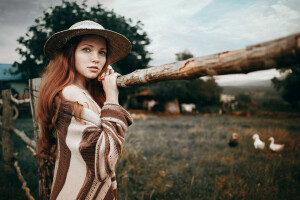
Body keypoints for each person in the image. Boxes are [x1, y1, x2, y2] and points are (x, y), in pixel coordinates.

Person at [36, 20, 133, 200]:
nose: (96, 58)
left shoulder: (85, 93)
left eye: (102, 52)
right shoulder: (71, 94)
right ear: (70, 53)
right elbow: (104, 160)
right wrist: (112, 96)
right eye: (86, 49)